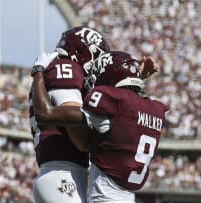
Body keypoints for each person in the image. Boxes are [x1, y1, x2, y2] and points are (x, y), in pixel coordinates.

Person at [32, 51, 167, 202]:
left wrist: (38, 71)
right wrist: (134, 73)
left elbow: (45, 113)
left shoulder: (111, 102)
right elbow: (126, 113)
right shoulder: (153, 108)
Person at [29, 26, 110, 203]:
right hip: (63, 174)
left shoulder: (55, 68)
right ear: (81, 51)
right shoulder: (65, 67)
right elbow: (79, 137)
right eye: (96, 55)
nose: (98, 63)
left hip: (63, 174)